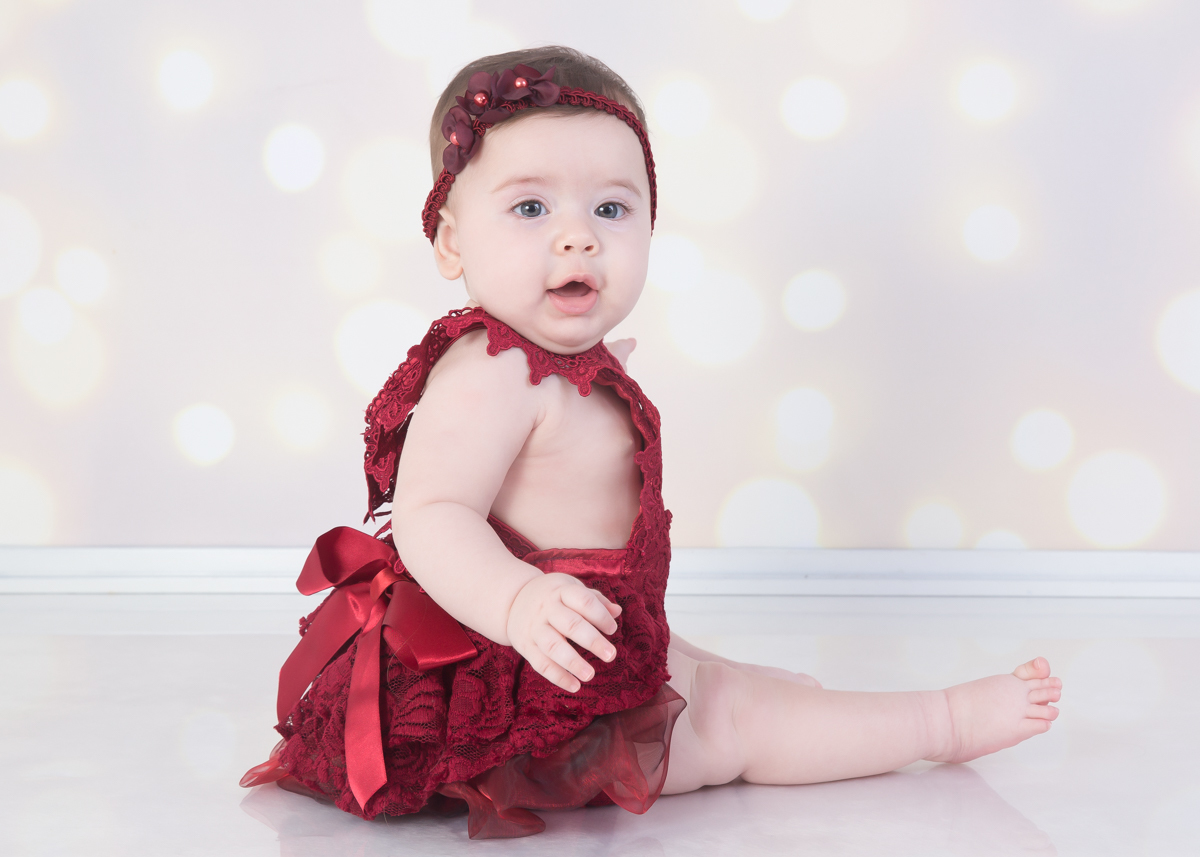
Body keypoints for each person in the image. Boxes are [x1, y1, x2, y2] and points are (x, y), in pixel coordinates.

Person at [241, 46, 1062, 840]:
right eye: (531, 208)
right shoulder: (490, 371)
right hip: (524, 674)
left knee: (701, 675)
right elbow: (431, 514)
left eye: (611, 208)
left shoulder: (557, 359)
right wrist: (518, 602)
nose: (578, 237)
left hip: (583, 625)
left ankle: (730, 684)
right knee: (731, 722)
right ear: (452, 241)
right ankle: (940, 720)